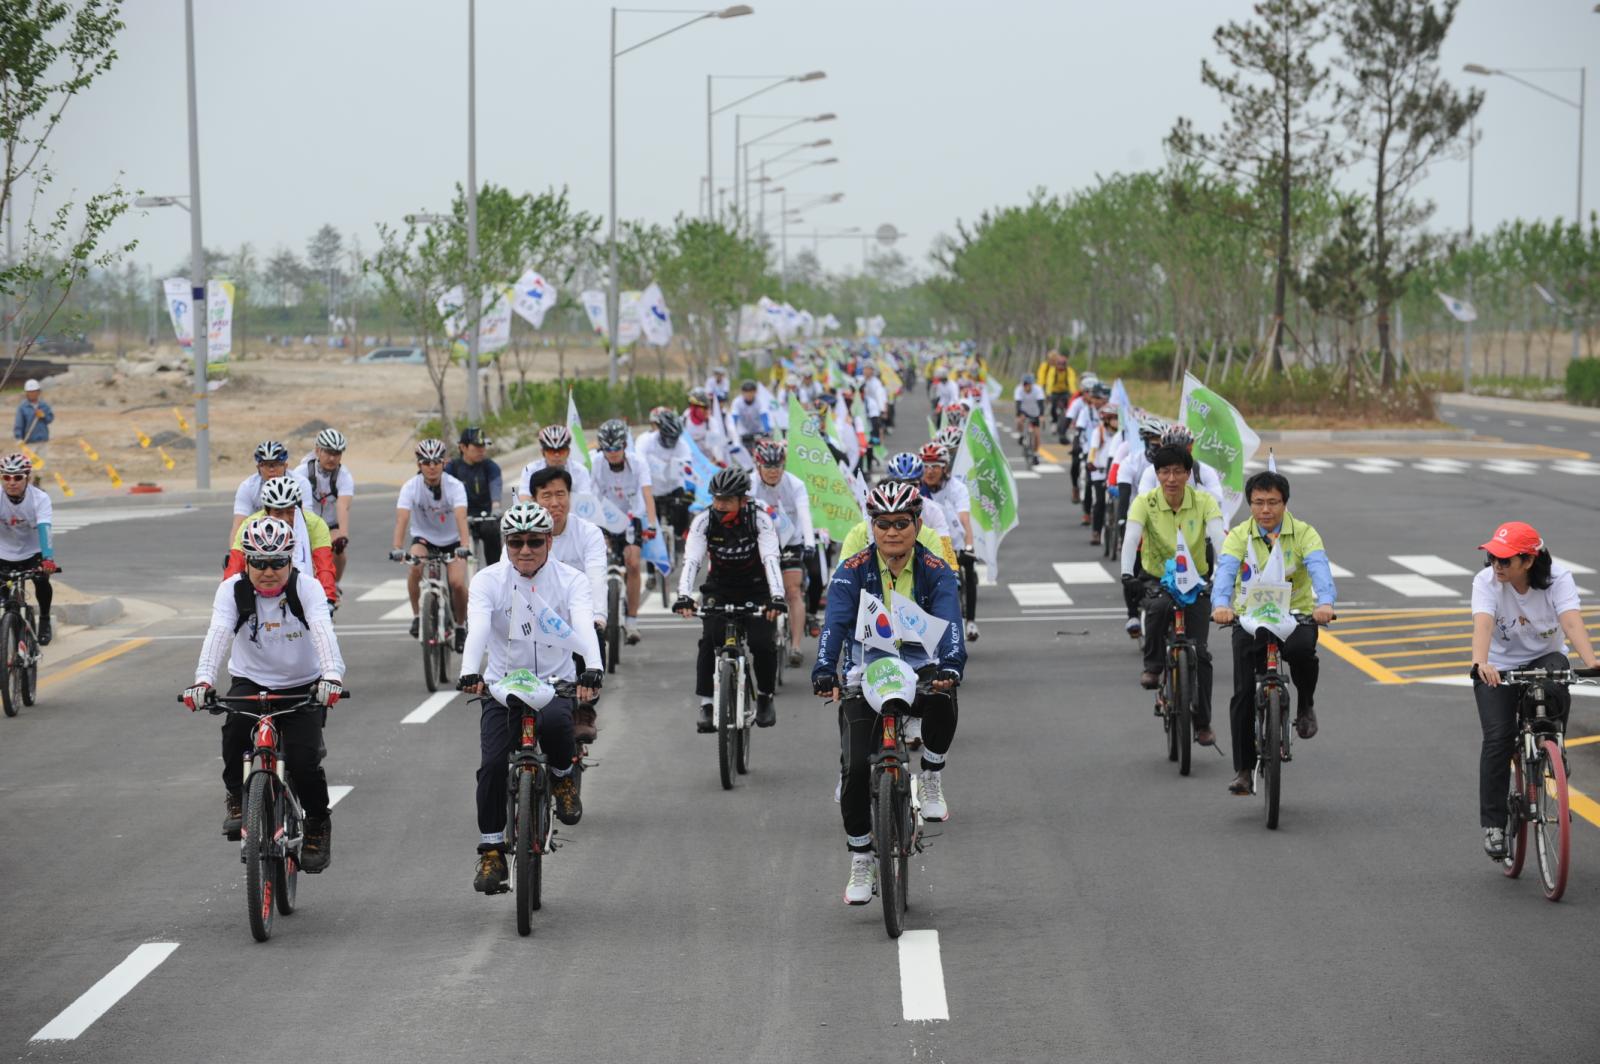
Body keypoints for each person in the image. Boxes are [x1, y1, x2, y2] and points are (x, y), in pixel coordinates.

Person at [813, 481, 965, 905]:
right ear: (872, 526)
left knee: (944, 700)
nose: (892, 532)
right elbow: (834, 626)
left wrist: (952, 664)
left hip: (920, 667)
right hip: (868, 672)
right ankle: (861, 857)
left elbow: (951, 623)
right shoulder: (852, 569)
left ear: (917, 524)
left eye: (901, 523)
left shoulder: (937, 570)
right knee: (857, 769)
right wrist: (825, 669)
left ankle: (931, 772)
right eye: (883, 524)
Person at [456, 502, 604, 893]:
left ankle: (561, 778)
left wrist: (592, 666)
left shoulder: (571, 579)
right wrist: (469, 671)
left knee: (557, 724)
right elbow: (478, 628)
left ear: (549, 542)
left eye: (534, 542)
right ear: (505, 543)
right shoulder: (488, 580)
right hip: (502, 685)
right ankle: (491, 851)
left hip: (554, 680)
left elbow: (585, 623)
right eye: (516, 542)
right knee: (490, 765)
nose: (525, 550)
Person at [184, 516, 344, 872]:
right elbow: (218, 635)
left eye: (277, 563)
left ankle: (317, 823)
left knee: (304, 762)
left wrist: (331, 676)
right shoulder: (231, 591)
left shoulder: (307, 589)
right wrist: (202, 681)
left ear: (291, 560)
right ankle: (238, 799)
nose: (267, 571)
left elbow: (323, 633)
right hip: (252, 681)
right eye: (258, 562)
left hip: (303, 685)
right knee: (234, 734)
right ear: (247, 561)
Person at [1469, 521, 1599, 859]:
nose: (1497, 565)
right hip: (1498, 665)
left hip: (1545, 656)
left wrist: (1592, 661)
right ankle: (1494, 825)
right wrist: (1481, 663)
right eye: (1493, 557)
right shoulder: (1486, 582)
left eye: (1505, 560)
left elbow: (1571, 621)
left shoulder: (1558, 578)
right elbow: (1482, 623)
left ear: (1528, 561)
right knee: (1498, 739)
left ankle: (1553, 748)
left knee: (1559, 686)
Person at [1210, 470, 1338, 796]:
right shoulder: (1240, 535)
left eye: (1272, 503)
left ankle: (1305, 705)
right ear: (1250, 504)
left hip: (1295, 614)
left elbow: (1319, 567)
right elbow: (1225, 571)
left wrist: (1325, 603)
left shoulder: (1305, 533)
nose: (1265, 510)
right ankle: (1243, 769)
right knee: (1242, 693)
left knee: (1301, 652)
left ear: (1285, 503)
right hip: (1250, 618)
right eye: (1258, 503)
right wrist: (1222, 604)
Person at [1120, 444, 1227, 746]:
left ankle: (1203, 722)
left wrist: (1221, 577)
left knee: (1202, 655)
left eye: (1178, 471)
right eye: (1164, 471)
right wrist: (1128, 573)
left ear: (1188, 474)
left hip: (1196, 580)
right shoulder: (1145, 502)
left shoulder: (1205, 502)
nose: (1171, 478)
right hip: (1158, 577)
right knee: (1156, 609)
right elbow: (1131, 538)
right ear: (1156, 474)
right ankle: (1153, 666)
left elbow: (1220, 540)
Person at [673, 467, 786, 733]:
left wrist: (777, 597)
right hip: (720, 588)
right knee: (710, 638)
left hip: (757, 588)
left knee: (761, 643)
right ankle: (707, 702)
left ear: (742, 500)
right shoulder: (704, 521)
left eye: (727, 500)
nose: (720, 505)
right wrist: (684, 596)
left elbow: (771, 558)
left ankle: (766, 697)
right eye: (716, 499)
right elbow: (691, 560)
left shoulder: (760, 519)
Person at [390, 439, 473, 649]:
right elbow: (402, 518)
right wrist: (397, 548)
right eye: (426, 462)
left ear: (444, 462)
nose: (432, 466)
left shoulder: (455, 486)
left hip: (453, 541)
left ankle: (461, 626)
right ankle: (418, 617)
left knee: (457, 583)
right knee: (415, 568)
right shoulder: (410, 487)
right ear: (419, 464)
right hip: (424, 539)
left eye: (436, 461)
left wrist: (464, 545)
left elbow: (461, 517)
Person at [589, 419, 656, 645]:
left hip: (630, 518)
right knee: (599, 565)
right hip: (604, 518)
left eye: (617, 448)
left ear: (624, 446)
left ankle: (631, 620)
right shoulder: (596, 463)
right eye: (608, 449)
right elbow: (590, 496)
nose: (613, 453)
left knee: (634, 563)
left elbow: (647, 494)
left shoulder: (638, 464)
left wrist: (652, 523)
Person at [749, 439, 815, 667]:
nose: (773, 471)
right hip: (760, 542)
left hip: (790, 542)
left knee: (793, 590)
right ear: (758, 466)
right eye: (768, 467)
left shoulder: (794, 484)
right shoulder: (750, 483)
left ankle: (795, 646)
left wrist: (809, 542)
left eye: (777, 466)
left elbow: (804, 514)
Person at [223, 475, 339, 604]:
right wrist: (227, 598)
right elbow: (235, 566)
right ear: (267, 511)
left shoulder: (316, 524)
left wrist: (328, 599)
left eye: (290, 511)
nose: (285, 519)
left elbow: (324, 566)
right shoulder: (249, 525)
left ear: (299, 508)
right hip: (262, 589)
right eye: (278, 513)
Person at [919, 443, 979, 640]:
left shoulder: (957, 488)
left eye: (935, 466)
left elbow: (964, 519)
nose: (929, 471)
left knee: (969, 570)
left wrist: (969, 546)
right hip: (929, 543)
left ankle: (970, 621)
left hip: (954, 542)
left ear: (945, 467)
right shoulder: (918, 490)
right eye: (925, 466)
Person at [0, 453, 56, 644]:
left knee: (42, 581)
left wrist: (47, 558)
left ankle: (45, 619)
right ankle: (7, 630)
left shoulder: (39, 499)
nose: (11, 482)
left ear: (27, 478)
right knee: (4, 598)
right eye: (6, 477)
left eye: (18, 477)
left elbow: (44, 528)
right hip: (3, 552)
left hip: (32, 551)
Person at [298, 428, 355, 583]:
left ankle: (334, 585)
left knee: (339, 549)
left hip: (329, 526)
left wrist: (343, 535)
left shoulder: (344, 476)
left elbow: (343, 506)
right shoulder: (302, 472)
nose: (332, 458)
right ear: (318, 450)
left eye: (336, 453)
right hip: (305, 523)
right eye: (328, 452)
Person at [231, 441, 316, 541]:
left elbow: (307, 520)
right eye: (266, 465)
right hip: (261, 537)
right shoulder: (247, 487)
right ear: (258, 468)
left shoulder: (300, 483)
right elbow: (239, 525)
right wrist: (233, 552)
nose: (271, 469)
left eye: (276, 464)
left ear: (285, 465)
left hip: (295, 534)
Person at [1136, 424, 1226, 514]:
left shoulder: (1204, 471)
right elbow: (1144, 503)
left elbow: (1218, 503)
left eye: (1182, 452)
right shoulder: (1151, 472)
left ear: (1190, 449)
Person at [446, 427, 503, 565]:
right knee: (450, 546)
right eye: (477, 447)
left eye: (483, 446)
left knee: (492, 530)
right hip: (460, 517)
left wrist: (496, 505)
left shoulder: (490, 466)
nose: (481, 450)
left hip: (484, 516)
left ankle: (495, 571)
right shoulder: (452, 468)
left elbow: (495, 484)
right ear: (463, 447)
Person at [636, 408, 694, 545]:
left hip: (673, 486)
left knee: (683, 508)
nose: (672, 442)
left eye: (675, 438)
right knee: (646, 523)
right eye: (669, 437)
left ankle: (680, 536)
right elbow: (639, 466)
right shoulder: (645, 441)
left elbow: (688, 470)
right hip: (651, 489)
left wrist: (691, 490)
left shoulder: (682, 445)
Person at [515, 425, 593, 504]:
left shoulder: (580, 471)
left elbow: (585, 499)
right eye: (551, 451)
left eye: (561, 451)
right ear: (543, 453)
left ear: (568, 452)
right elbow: (525, 497)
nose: (557, 455)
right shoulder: (530, 469)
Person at [12, 378, 52, 475]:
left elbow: (50, 418)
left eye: (34, 392)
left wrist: (44, 416)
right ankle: (28, 487)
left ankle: (38, 485)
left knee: (41, 466)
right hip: (29, 442)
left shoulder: (43, 405)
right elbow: (19, 423)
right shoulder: (23, 407)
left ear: (38, 392)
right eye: (30, 392)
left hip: (42, 440)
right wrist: (19, 438)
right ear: (26, 393)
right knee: (28, 466)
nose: (32, 394)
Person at [728, 379, 771, 450]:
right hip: (744, 431)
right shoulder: (737, 402)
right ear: (742, 392)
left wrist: (767, 431)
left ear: (755, 392)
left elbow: (764, 416)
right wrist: (733, 434)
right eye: (746, 392)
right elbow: (734, 419)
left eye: (751, 392)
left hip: (759, 430)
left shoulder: (760, 401)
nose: (748, 394)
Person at [1013, 373, 1045, 463]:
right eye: (1024, 384)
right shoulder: (1018, 389)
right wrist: (1018, 416)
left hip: (1035, 413)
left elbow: (1041, 403)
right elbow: (1018, 404)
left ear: (1032, 384)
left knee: (1037, 435)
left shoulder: (1038, 390)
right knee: (1020, 421)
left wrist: (1041, 416)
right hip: (1023, 411)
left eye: (1028, 385)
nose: (1026, 387)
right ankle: (1021, 435)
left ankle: (1035, 454)